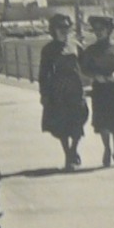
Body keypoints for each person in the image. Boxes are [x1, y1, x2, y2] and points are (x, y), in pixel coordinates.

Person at [79, 15, 114, 167]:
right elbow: (84, 69)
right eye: (96, 30)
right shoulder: (90, 50)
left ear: (109, 30)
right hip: (100, 88)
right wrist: (95, 77)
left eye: (101, 29)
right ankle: (107, 149)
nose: (98, 32)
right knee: (102, 122)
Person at [38, 13, 87, 171]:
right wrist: (44, 94)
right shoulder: (48, 50)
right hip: (58, 89)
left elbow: (86, 65)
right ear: (53, 29)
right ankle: (68, 155)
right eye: (60, 27)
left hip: (75, 88)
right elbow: (43, 74)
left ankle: (73, 150)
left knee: (79, 120)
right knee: (62, 125)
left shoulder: (76, 45)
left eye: (67, 27)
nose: (64, 30)